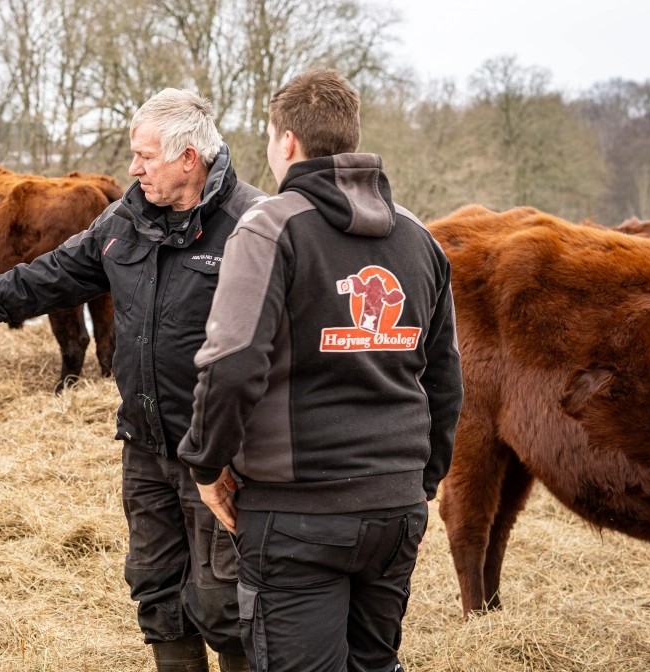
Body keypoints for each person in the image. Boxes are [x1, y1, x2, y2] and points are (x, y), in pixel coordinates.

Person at [0, 89, 265, 672]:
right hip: (145, 447)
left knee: (226, 603)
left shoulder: (253, 224)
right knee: (156, 593)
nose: (133, 168)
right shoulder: (126, 222)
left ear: (189, 157)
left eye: (146, 156)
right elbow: (47, 277)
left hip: (221, 455)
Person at [176, 68, 464, 672]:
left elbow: (231, 366)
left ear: (286, 142)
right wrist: (420, 482)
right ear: (352, 137)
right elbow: (445, 383)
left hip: (296, 513)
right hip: (395, 509)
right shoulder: (420, 240)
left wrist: (205, 463)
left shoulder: (269, 227)